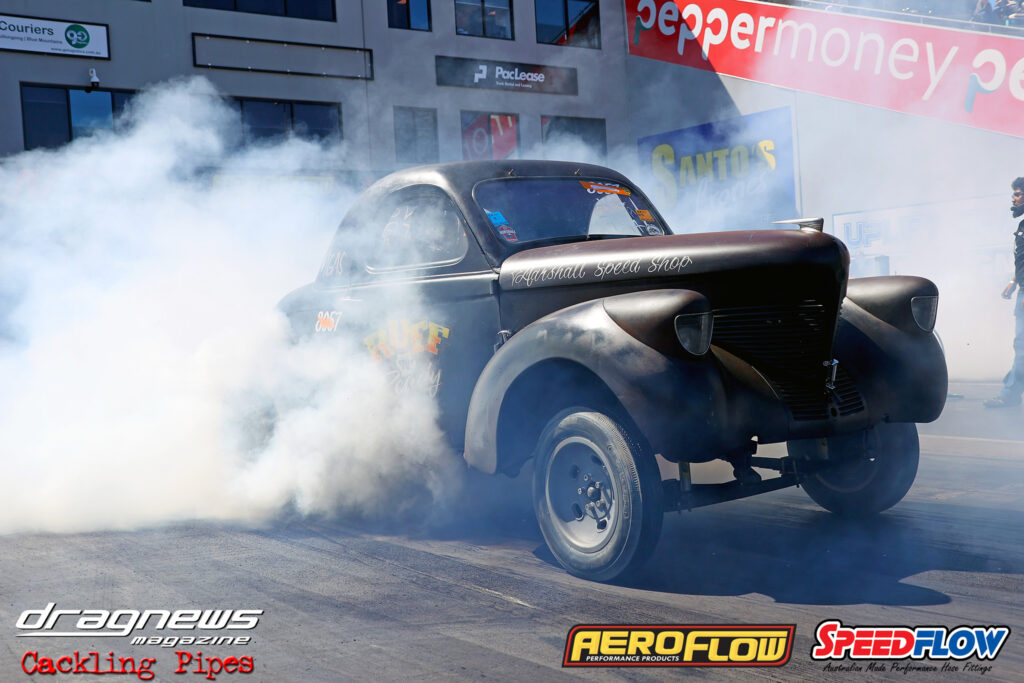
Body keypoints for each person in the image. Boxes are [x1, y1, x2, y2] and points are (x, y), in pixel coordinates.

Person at [985, 177, 1024, 407]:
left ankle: (1010, 393)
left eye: (1018, 194)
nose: (1013, 199)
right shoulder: (1022, 226)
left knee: (1022, 344)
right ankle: (1011, 391)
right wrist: (1014, 281)